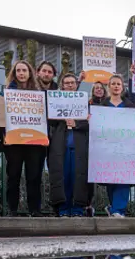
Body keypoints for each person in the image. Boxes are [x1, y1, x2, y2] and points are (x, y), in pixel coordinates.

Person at [96, 74, 135, 218]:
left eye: (119, 84)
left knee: (124, 177)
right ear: (108, 87)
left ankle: (118, 209)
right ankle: (113, 207)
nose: (116, 86)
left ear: (122, 87)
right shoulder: (102, 106)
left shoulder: (130, 105)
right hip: (108, 149)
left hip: (126, 148)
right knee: (111, 178)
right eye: (113, 84)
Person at [3, 60, 47, 216]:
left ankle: (35, 209)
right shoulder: (6, 93)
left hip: (35, 141)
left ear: (30, 73)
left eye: (24, 70)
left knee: (34, 176)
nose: (21, 73)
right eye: (18, 71)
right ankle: (12, 209)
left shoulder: (40, 94)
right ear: (14, 74)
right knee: (13, 175)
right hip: (14, 141)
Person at [47, 71, 90, 217]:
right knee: (61, 177)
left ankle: (77, 209)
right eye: (67, 83)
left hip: (78, 147)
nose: (70, 85)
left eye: (72, 83)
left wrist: (76, 123)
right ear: (62, 86)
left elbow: (90, 123)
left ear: (76, 85)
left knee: (78, 178)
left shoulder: (84, 102)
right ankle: (63, 209)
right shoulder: (56, 102)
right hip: (61, 146)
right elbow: (50, 121)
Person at [70, 75, 107, 217]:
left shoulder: (110, 104)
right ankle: (88, 204)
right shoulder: (86, 104)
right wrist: (78, 81)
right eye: (96, 88)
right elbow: (73, 99)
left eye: (101, 88)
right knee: (88, 177)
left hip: (106, 144)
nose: (98, 90)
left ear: (105, 90)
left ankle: (112, 207)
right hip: (89, 144)